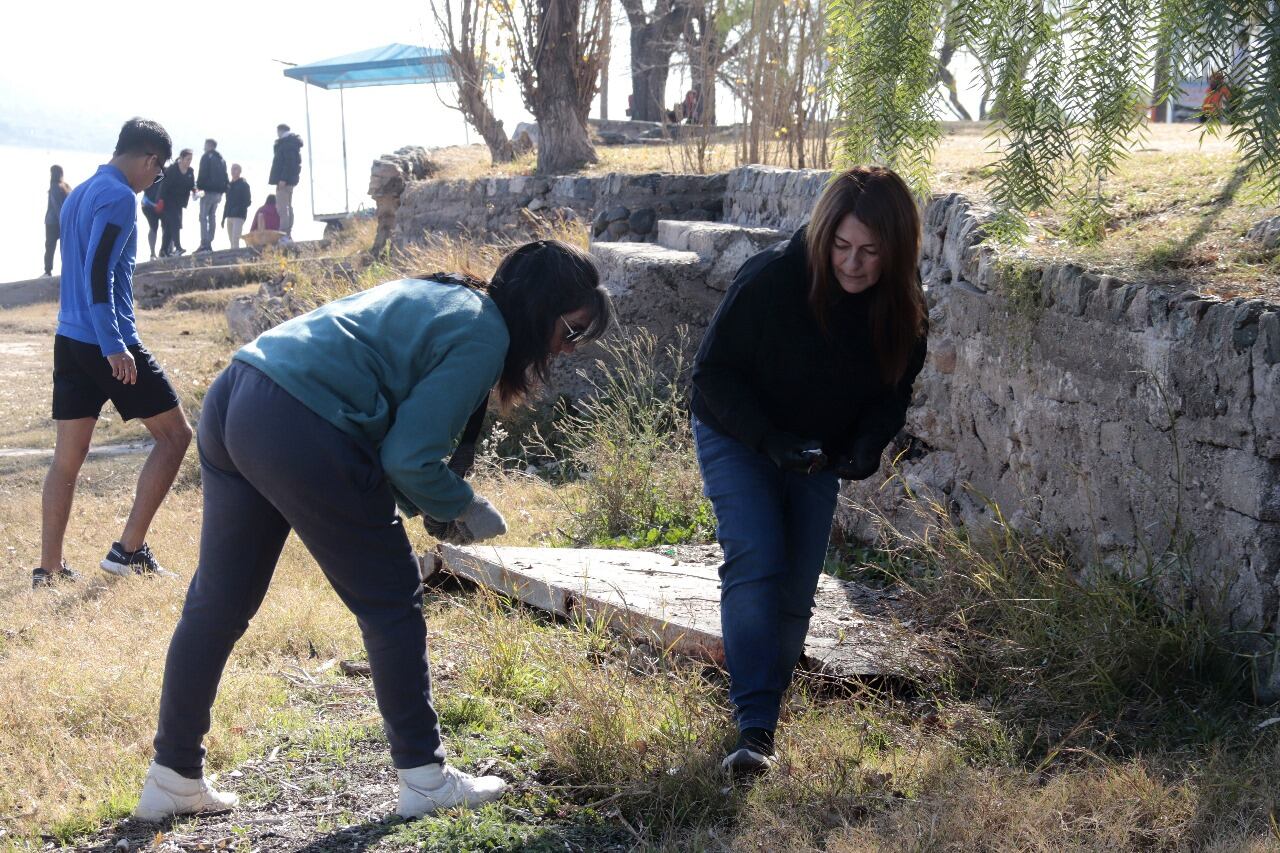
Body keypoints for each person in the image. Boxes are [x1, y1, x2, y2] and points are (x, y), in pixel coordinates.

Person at [134, 240, 613, 821]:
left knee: (218, 603)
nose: (568, 347)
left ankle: (172, 777)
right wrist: (465, 504)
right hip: (298, 418)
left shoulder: (445, 293)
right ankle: (426, 778)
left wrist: (436, 503)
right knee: (391, 600)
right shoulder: (486, 331)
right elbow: (410, 458)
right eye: (574, 328)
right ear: (543, 307)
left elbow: (393, 437)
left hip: (239, 390)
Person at [690, 165, 928, 776]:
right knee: (757, 556)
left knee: (798, 580)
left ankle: (765, 708)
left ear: (896, 252)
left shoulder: (902, 306)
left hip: (816, 447)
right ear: (824, 238)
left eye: (872, 252)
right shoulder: (771, 278)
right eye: (842, 247)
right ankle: (755, 727)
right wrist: (769, 441)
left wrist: (867, 445)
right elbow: (712, 375)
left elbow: (892, 390)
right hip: (740, 432)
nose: (853, 264)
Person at [32, 117, 194, 589]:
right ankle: (128, 551)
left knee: (67, 457)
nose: (154, 179)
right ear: (149, 160)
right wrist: (114, 345)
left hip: (69, 338)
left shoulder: (79, 192)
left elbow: (81, 269)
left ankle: (49, 568)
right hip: (107, 340)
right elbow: (99, 271)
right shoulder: (122, 197)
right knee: (176, 437)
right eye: (158, 171)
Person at [267, 124, 303, 237]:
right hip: (290, 180)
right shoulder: (292, 143)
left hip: (284, 181)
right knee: (288, 206)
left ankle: (284, 234)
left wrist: (282, 179)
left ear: (280, 131)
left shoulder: (286, 144)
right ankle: (287, 232)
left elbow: (288, 163)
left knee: (282, 208)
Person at [159, 149, 196, 257]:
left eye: (191, 160)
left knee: (170, 227)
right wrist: (160, 200)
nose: (189, 161)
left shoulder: (190, 171)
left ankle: (163, 250)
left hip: (180, 202)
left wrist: (195, 191)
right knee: (176, 223)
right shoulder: (172, 169)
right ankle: (178, 248)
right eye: (188, 159)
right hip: (168, 200)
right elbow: (163, 185)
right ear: (181, 158)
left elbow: (192, 184)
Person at [195, 139, 229, 252]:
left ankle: (204, 243)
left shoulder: (206, 157)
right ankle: (209, 241)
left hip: (207, 191)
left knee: (203, 217)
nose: (204, 147)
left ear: (209, 145)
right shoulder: (221, 159)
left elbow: (202, 173)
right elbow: (225, 176)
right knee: (212, 216)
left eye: (205, 145)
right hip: (218, 193)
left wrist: (198, 187)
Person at [43, 165, 71, 276]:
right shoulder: (66, 186)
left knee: (50, 247)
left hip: (52, 222)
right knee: (65, 247)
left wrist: (62, 221)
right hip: (62, 221)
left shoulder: (54, 187)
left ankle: (48, 270)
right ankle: (66, 269)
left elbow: (57, 207)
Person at [222, 164, 251, 250]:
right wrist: (223, 217)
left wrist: (238, 208)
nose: (233, 171)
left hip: (239, 216)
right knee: (231, 240)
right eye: (232, 169)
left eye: (235, 169)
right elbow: (227, 202)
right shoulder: (229, 185)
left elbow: (248, 201)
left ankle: (237, 258)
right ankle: (233, 257)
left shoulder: (244, 185)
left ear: (240, 171)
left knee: (235, 239)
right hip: (229, 215)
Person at [141, 178, 163, 261]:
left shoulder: (168, 172)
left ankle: (166, 251)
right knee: (153, 226)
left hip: (162, 204)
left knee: (167, 226)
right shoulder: (151, 171)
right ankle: (152, 253)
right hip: (148, 205)